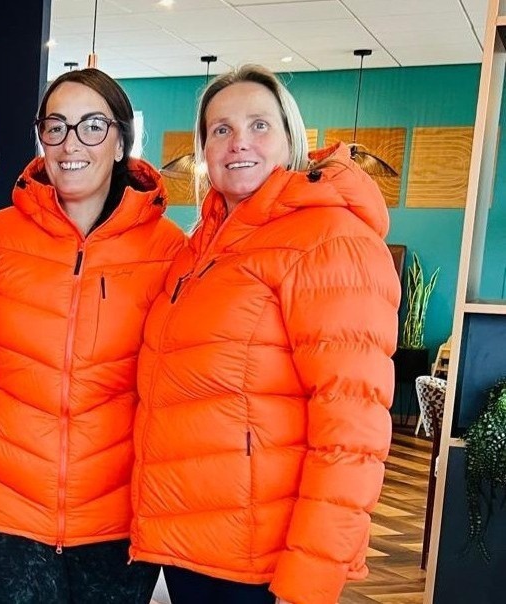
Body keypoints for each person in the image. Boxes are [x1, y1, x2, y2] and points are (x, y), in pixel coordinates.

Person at [129, 64, 401, 604]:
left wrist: (311, 578)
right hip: (194, 546)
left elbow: (352, 428)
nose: (239, 143)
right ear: (204, 150)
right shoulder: (199, 247)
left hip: (262, 561)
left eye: (259, 125)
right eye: (221, 129)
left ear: (290, 137)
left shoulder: (331, 239)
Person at [0, 67, 184, 603]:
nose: (71, 143)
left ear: (121, 141)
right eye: (56, 126)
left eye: (92, 125)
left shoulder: (169, 249)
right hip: (5, 512)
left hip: (117, 521)